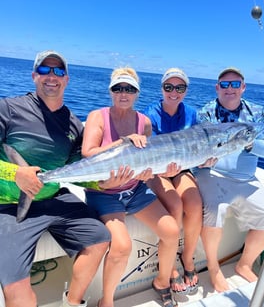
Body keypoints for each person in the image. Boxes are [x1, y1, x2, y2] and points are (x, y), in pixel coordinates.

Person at [0, 50, 111, 307]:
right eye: (44, 70)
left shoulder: (74, 124)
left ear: (67, 79)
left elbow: (75, 170)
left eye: (59, 71)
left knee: (100, 238)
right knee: (15, 283)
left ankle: (72, 302)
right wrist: (15, 173)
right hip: (8, 205)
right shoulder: (8, 108)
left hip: (55, 197)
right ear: (33, 76)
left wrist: (100, 183)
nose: (52, 76)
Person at [82, 67, 180, 307]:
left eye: (129, 89)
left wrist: (159, 173)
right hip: (104, 192)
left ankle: (162, 280)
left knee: (171, 231)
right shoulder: (98, 115)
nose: (123, 93)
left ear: (137, 92)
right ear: (111, 91)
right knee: (122, 246)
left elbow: (148, 163)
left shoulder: (143, 122)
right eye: (118, 88)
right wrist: (122, 142)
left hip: (135, 190)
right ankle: (107, 301)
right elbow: (88, 153)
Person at [195, 67, 264, 292]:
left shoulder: (257, 112)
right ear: (217, 87)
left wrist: (248, 142)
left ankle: (245, 264)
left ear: (243, 87)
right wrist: (202, 159)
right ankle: (213, 269)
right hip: (212, 173)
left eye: (235, 84)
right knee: (215, 208)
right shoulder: (207, 112)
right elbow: (202, 147)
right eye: (225, 84)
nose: (229, 89)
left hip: (245, 179)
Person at [143, 67, 202, 295]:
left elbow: (198, 146)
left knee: (195, 204)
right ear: (162, 89)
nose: (174, 92)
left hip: (181, 168)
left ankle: (187, 257)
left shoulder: (192, 114)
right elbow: (148, 152)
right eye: (169, 87)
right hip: (157, 170)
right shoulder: (149, 114)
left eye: (180, 87)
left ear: (185, 90)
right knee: (175, 204)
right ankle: (169, 268)